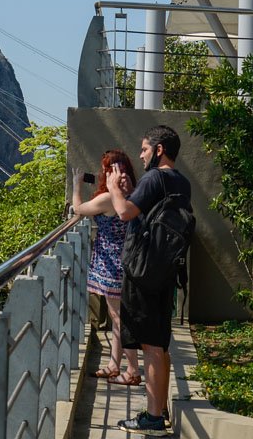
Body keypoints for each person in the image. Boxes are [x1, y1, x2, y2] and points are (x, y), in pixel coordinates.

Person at [107, 125, 193, 436]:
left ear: (158, 150)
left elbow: (125, 213)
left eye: (145, 149)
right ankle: (156, 411)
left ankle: (153, 418)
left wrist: (114, 188)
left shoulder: (155, 176)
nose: (141, 155)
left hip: (143, 272)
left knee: (151, 346)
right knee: (160, 344)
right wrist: (131, 192)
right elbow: (151, 214)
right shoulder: (181, 182)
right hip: (164, 271)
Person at [72, 150, 142, 386]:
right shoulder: (133, 194)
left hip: (111, 264)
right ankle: (114, 364)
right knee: (118, 316)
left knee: (118, 317)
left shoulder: (107, 199)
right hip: (127, 261)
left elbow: (79, 209)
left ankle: (132, 369)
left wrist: (76, 185)